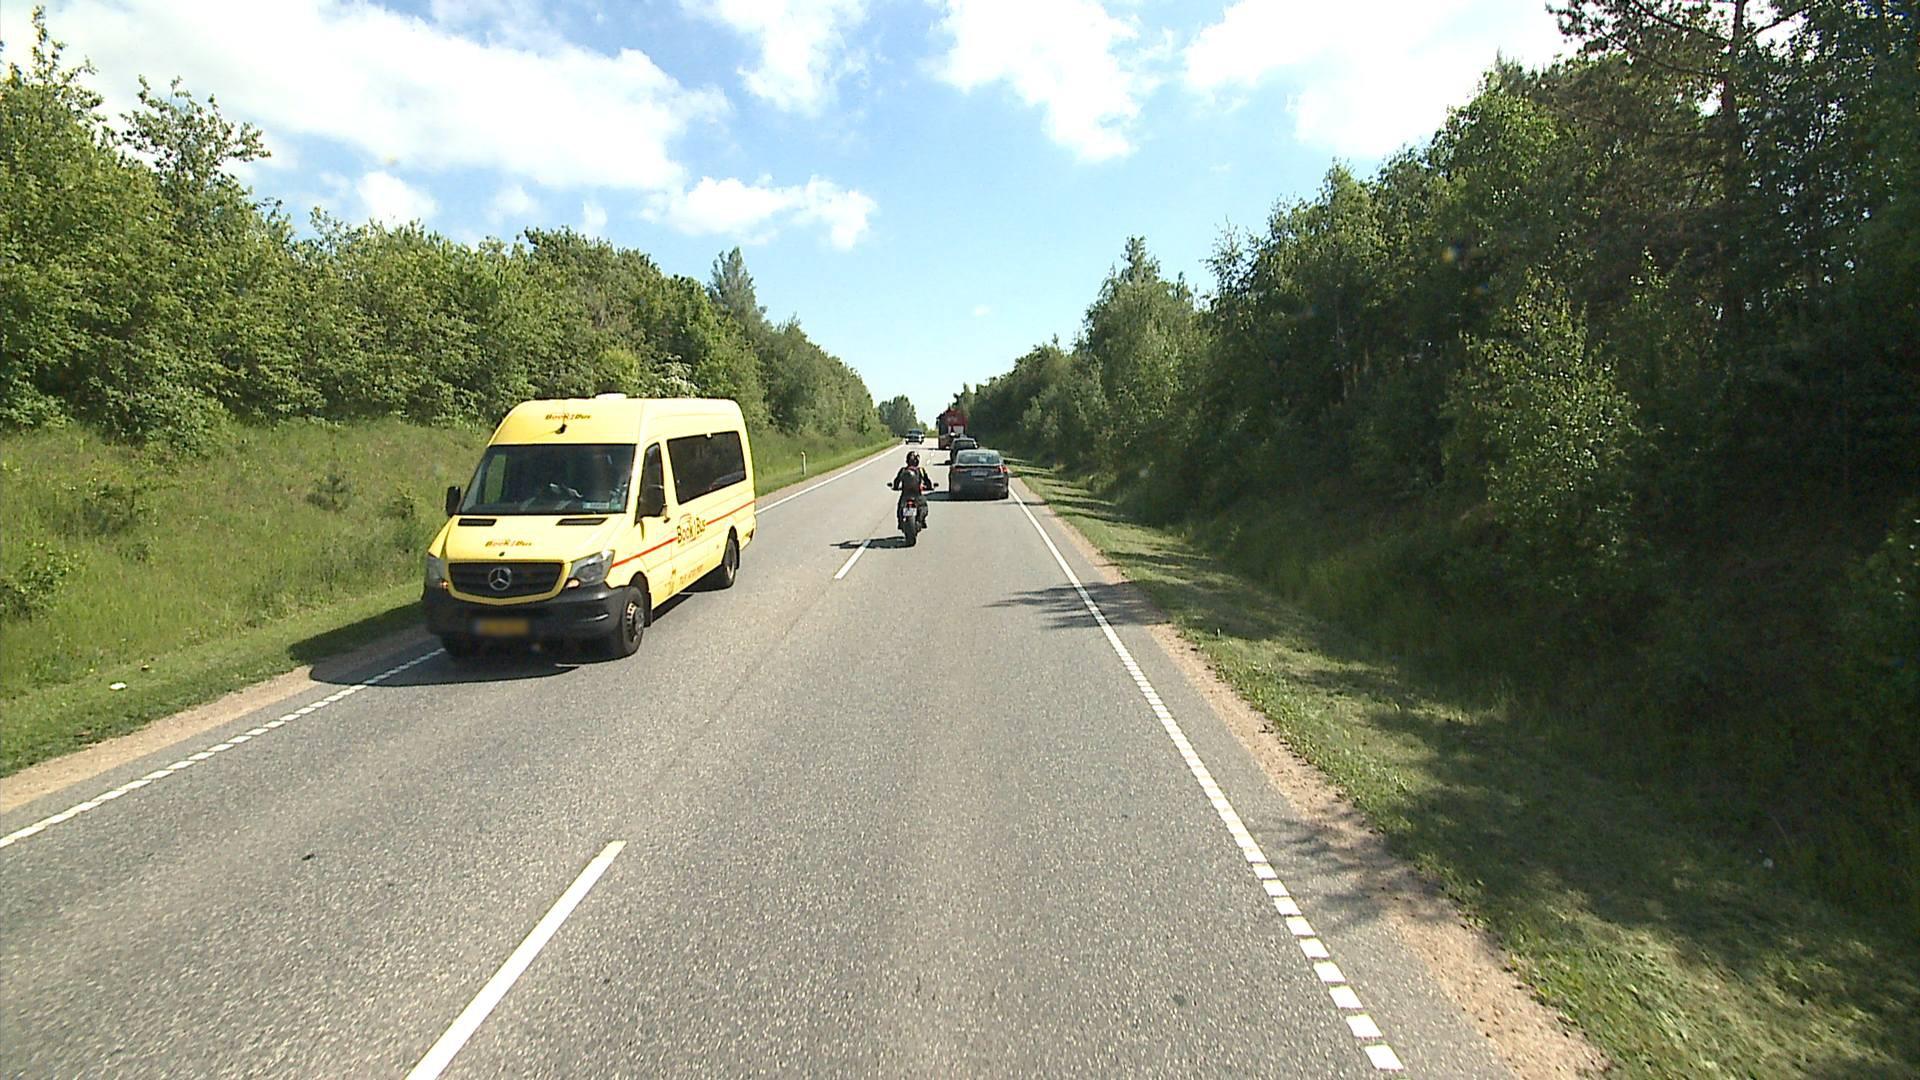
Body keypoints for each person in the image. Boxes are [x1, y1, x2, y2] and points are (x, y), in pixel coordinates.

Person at [890, 451, 936, 529]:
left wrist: (895, 487)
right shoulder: (920, 470)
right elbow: (927, 481)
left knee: (900, 507)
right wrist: (930, 487)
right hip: (916, 494)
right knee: (923, 506)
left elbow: (896, 481)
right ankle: (921, 521)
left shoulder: (903, 470)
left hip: (906, 494)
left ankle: (901, 522)